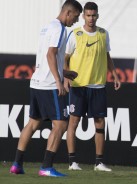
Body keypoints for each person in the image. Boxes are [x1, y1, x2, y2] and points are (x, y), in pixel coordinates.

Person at [9, 0, 82, 177]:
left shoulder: (47, 27)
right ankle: (46, 167)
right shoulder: (59, 29)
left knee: (33, 123)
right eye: (76, 16)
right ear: (68, 13)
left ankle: (16, 165)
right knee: (61, 124)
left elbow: (47, 57)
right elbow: (51, 53)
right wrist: (59, 80)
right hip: (49, 86)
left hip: (36, 82)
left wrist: (64, 72)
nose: (76, 21)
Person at [64, 2, 121, 172]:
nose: (91, 18)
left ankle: (99, 163)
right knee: (73, 122)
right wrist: (67, 77)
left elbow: (107, 56)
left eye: (93, 15)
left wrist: (115, 75)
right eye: (88, 15)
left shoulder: (103, 34)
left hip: (98, 85)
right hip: (79, 85)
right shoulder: (75, 34)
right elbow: (65, 58)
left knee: (100, 123)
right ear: (83, 16)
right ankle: (72, 162)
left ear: (97, 16)